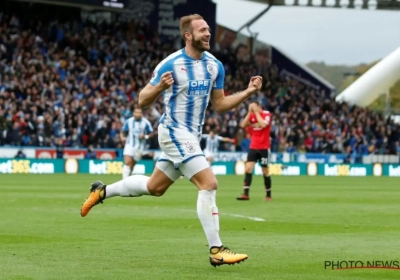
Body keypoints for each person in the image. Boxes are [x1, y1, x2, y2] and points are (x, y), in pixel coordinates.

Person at [80, 14, 262, 267]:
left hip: (191, 136)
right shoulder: (171, 64)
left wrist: (248, 92)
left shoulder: (214, 66)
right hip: (174, 131)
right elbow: (142, 100)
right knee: (209, 183)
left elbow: (219, 105)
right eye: (202, 31)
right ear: (188, 36)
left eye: (208, 29)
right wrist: (158, 88)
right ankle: (217, 249)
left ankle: (101, 192)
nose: (208, 34)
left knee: (155, 187)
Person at [236, 101, 272, 201]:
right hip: (253, 147)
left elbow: (264, 125)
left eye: (254, 106)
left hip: (264, 148)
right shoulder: (251, 116)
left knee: (265, 171)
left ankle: (268, 195)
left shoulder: (266, 114)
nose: (252, 109)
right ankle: (246, 194)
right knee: (248, 169)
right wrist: (249, 112)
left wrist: (256, 112)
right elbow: (243, 125)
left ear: (259, 106)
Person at [120, 108, 154, 178]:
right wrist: (122, 137)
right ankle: (124, 182)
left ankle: (128, 178)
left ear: (141, 114)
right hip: (129, 145)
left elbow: (152, 133)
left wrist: (145, 136)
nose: (138, 114)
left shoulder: (146, 123)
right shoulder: (129, 121)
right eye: (136, 112)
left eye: (139, 113)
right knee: (127, 162)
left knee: (132, 165)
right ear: (133, 113)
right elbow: (122, 131)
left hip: (140, 147)